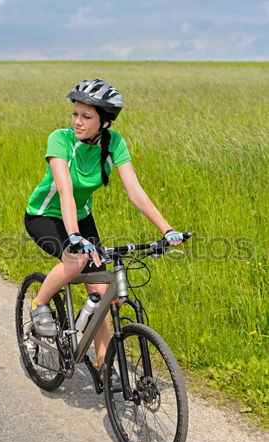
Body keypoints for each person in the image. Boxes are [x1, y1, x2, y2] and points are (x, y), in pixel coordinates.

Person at [24, 78, 183, 379]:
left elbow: (134, 191)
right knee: (75, 261)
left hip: (81, 217)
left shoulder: (115, 143)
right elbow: (65, 190)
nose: (76, 122)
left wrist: (167, 229)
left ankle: (103, 360)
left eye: (86, 116)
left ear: (105, 123)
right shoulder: (60, 140)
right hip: (45, 214)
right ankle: (39, 303)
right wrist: (73, 237)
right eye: (75, 114)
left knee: (100, 285)